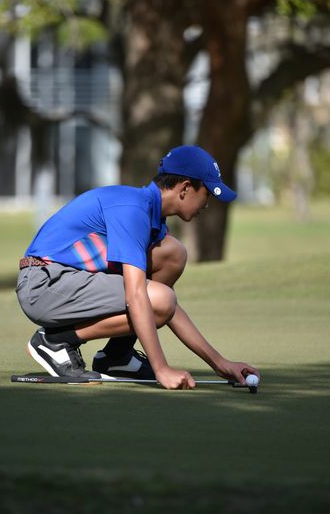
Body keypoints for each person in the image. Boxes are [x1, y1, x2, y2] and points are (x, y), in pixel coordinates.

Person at [16, 145, 260, 390]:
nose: (207, 204)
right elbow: (140, 296)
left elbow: (167, 307)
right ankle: (56, 342)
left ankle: (116, 357)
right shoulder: (133, 210)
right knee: (160, 299)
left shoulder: (150, 215)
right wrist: (161, 369)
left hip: (66, 280)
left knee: (172, 254)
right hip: (43, 285)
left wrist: (220, 363)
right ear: (185, 188)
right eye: (207, 193)